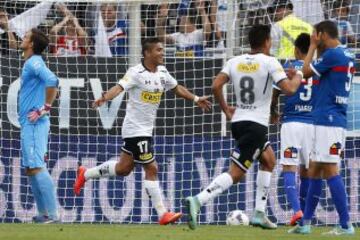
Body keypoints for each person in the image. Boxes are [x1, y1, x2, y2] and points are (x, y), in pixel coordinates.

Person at [73, 37, 211, 225]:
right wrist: (104, 98)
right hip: (135, 129)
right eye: (159, 50)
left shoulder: (162, 72)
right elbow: (119, 87)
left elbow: (176, 87)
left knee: (124, 168)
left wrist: (195, 99)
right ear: (147, 53)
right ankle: (162, 213)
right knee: (152, 168)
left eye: (162, 50)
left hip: (145, 129)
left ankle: (85, 173)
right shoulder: (135, 72)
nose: (162, 53)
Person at [185, 24, 303, 230]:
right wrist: (299, 74)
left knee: (269, 160)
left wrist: (226, 110)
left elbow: (215, 86)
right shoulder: (270, 62)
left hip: (239, 121)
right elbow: (291, 90)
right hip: (256, 125)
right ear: (267, 41)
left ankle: (258, 213)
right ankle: (199, 200)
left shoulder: (234, 61)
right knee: (236, 173)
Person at [288, 20, 355, 235]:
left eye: (316, 35)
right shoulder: (346, 54)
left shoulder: (332, 54)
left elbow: (306, 70)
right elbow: (321, 79)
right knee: (315, 168)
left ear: (323, 34)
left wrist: (311, 47)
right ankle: (305, 223)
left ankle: (346, 224)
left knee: (330, 170)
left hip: (329, 120)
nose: (314, 38)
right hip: (329, 118)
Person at [271, 33, 319, 226]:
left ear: (296, 50)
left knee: (289, 167)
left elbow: (275, 91)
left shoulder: (288, 68)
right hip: (313, 125)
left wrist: (273, 110)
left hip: (291, 123)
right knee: (307, 170)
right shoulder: (317, 69)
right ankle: (305, 218)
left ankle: (297, 211)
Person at [19, 28, 59, 223]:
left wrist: (45, 107)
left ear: (32, 44)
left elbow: (53, 80)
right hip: (29, 123)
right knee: (30, 168)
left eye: (26, 37)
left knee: (37, 167)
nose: (22, 38)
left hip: (35, 123)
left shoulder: (34, 62)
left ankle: (53, 215)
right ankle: (43, 214)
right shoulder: (31, 62)